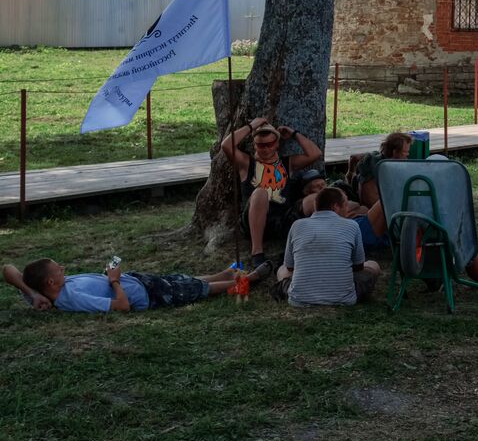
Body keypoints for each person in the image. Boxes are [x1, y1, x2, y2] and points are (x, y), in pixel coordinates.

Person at [220, 116, 322, 278]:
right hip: (254, 220)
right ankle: (257, 253)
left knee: (316, 199)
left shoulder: (287, 163)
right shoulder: (247, 163)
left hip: (283, 218)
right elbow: (226, 145)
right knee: (261, 192)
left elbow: (315, 153)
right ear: (254, 145)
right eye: (260, 145)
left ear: (277, 144)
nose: (265, 149)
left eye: (269, 144)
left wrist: (294, 133)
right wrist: (251, 125)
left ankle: (323, 243)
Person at [272, 187, 380, 307]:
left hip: (299, 299)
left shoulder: (297, 225)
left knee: (282, 269)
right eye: (345, 205)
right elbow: (358, 267)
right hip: (345, 298)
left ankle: (303, 288)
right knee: (373, 265)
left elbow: (290, 268)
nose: (348, 209)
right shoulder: (352, 226)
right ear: (335, 207)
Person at [4, 258, 238, 313]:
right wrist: (114, 280)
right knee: (195, 290)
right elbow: (122, 306)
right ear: (51, 281)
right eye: (59, 270)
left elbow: (8, 269)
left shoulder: (39, 291)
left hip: (138, 280)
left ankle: (224, 273)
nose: (64, 269)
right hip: (147, 296)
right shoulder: (72, 297)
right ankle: (245, 280)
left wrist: (30, 294)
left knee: (182, 279)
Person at [350, 132, 412, 209]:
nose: (407, 155)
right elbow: (370, 199)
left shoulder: (385, 162)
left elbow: (354, 158)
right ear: (395, 152)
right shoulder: (374, 166)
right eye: (405, 152)